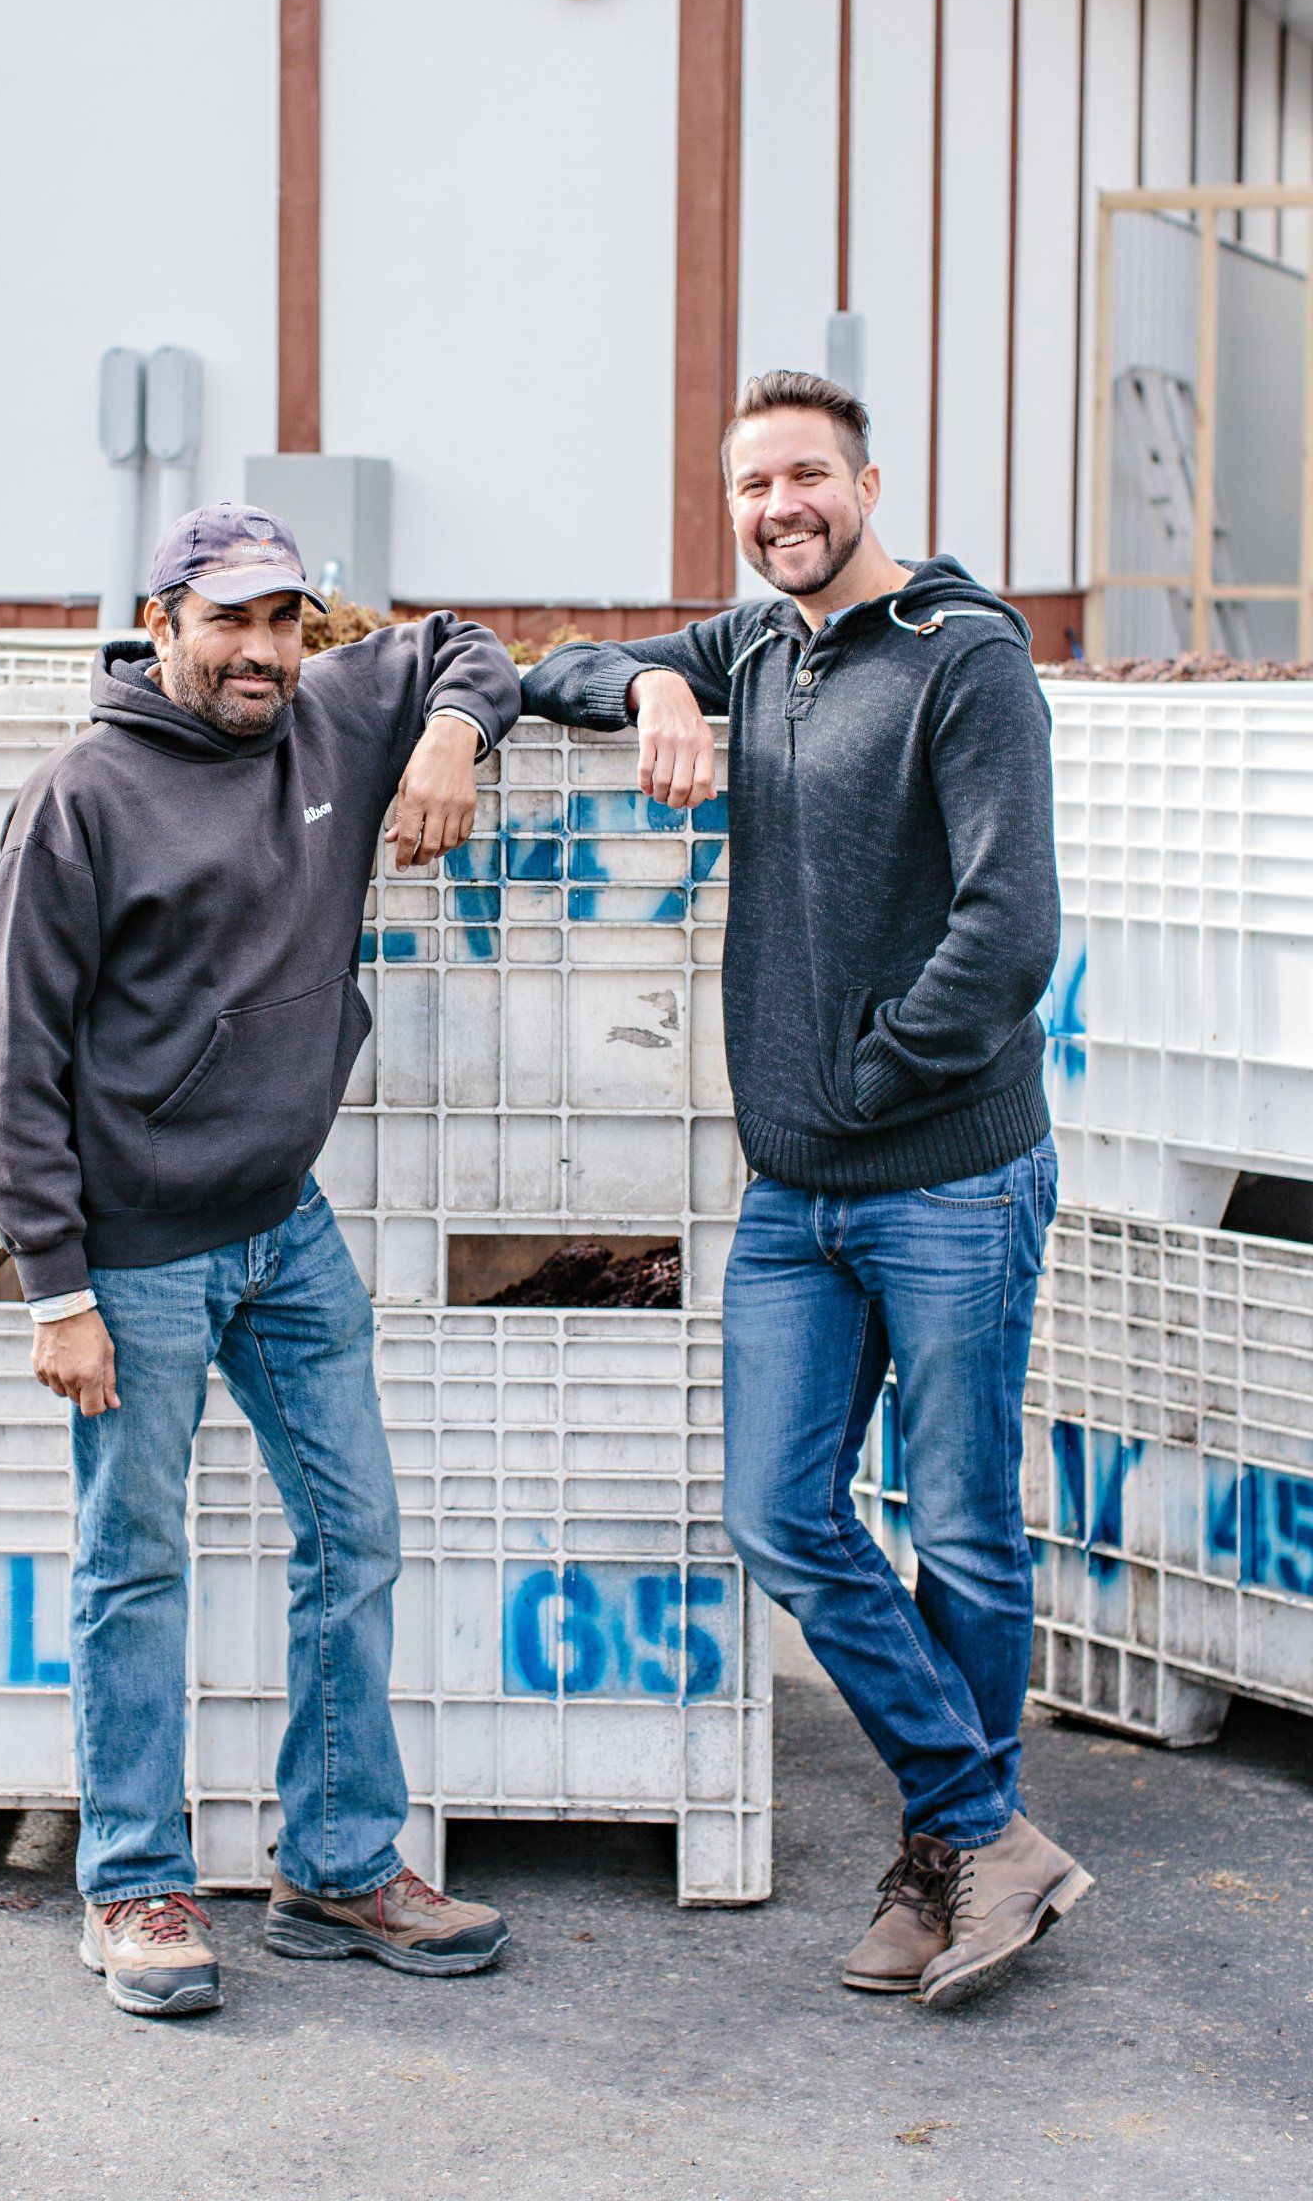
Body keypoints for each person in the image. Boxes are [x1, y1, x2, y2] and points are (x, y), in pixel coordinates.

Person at [521, 370, 1091, 2010]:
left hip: (947, 1178)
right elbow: (561, 662)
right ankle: (987, 1830)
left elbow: (1012, 926)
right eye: (754, 486)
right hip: (796, 1199)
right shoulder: (756, 645)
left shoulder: (960, 656)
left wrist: (866, 1072)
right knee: (781, 1511)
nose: (783, 507)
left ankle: (942, 1866)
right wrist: (650, 695)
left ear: (869, 483)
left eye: (809, 478)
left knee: (967, 1535)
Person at [0, 502, 521, 2017]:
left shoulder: (330, 723)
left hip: (286, 1224)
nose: (263, 651)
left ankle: (339, 1864)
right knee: (134, 1566)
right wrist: (57, 1287)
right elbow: (13, 1062)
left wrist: (452, 738)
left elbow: (469, 647)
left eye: (284, 620)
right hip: (136, 1256)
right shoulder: (82, 798)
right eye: (230, 622)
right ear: (160, 629)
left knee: (359, 1534)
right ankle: (137, 1885)